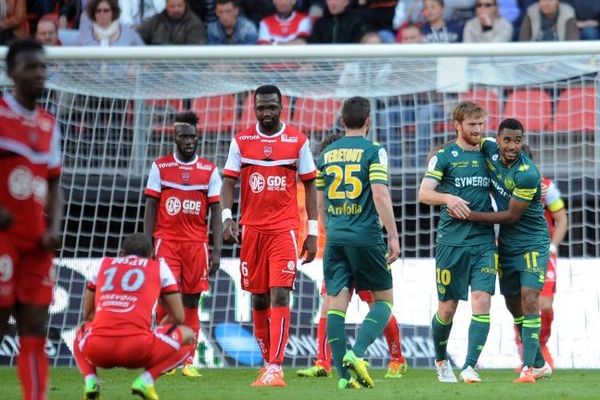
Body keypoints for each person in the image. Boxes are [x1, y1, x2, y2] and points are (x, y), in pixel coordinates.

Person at [221, 84, 318, 387]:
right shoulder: (241, 141)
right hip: (251, 230)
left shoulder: (297, 141)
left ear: (281, 106)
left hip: (284, 230)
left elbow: (311, 186)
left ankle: (276, 366)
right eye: (261, 107)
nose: (266, 113)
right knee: (259, 297)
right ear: (254, 108)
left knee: (280, 292)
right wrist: (227, 218)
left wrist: (312, 231)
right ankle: (267, 364)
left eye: (271, 107)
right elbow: (228, 183)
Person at [297, 132, 407, 380]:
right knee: (331, 300)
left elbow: (374, 198)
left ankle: (396, 357)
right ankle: (323, 362)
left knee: (373, 302)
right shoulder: (368, 156)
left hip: (350, 242)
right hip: (353, 244)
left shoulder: (342, 163)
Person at [449, 118, 552, 383]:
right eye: (507, 140)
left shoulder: (527, 173)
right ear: (498, 138)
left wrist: (470, 215)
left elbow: (509, 216)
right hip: (506, 245)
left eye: (518, 141)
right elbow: (463, 144)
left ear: (522, 141)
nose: (512, 146)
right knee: (513, 305)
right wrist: (440, 159)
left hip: (532, 241)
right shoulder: (488, 147)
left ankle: (528, 368)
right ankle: (539, 363)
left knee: (530, 298)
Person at [315, 96, 400, 389]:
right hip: (365, 237)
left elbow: (320, 202)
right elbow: (379, 194)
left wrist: (330, 228)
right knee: (384, 301)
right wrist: (393, 234)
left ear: (342, 122)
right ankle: (357, 352)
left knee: (336, 305)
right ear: (368, 121)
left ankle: (342, 377)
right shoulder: (374, 151)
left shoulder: (326, 154)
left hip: (336, 237)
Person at [0, 38, 63, 400]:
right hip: (3, 238)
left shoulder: (49, 125)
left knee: (35, 327)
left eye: (42, 67)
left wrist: (53, 229)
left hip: (36, 241)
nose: (40, 74)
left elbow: (55, 184)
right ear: (11, 73)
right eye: (31, 67)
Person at [418, 101, 497, 384]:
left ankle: (470, 366)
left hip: (484, 240)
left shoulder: (490, 152)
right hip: (451, 243)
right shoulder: (444, 156)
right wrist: (447, 197)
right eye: (472, 125)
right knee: (447, 309)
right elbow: (424, 193)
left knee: (482, 300)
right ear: (458, 125)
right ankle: (441, 361)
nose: (478, 130)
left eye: (481, 124)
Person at [144, 111, 222, 377]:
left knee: (191, 301)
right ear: (174, 137)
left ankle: (187, 361)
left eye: (193, 137)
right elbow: (151, 206)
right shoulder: (160, 167)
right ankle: (164, 356)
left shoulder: (209, 170)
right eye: (184, 137)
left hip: (196, 245)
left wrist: (217, 251)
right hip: (166, 243)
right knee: (166, 299)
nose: (190, 141)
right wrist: (148, 244)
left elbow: (216, 212)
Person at [73, 234, 195, 400]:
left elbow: (87, 314)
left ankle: (91, 381)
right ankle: (146, 381)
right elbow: (179, 317)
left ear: (121, 254)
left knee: (80, 329)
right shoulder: (158, 267)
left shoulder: (103, 264)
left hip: (98, 350)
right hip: (137, 349)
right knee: (188, 336)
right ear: (152, 255)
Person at [514, 146, 568, 370]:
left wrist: (553, 246)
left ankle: (541, 345)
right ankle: (527, 351)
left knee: (544, 304)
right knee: (520, 303)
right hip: (514, 251)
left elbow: (561, 219)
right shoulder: (503, 185)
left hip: (542, 252)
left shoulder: (546, 187)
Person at [75, 0, 145, 46]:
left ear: (113, 12)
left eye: (106, 10)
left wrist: (134, 67)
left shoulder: (128, 34)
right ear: (94, 14)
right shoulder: (85, 36)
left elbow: (145, 57)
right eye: (98, 11)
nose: (102, 14)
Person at [137, 0, 206, 44]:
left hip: (184, 65)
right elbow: (136, 37)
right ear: (166, 6)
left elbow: (194, 52)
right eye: (172, 6)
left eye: (179, 6)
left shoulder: (194, 24)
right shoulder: (156, 21)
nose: (176, 9)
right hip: (156, 64)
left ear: (185, 5)